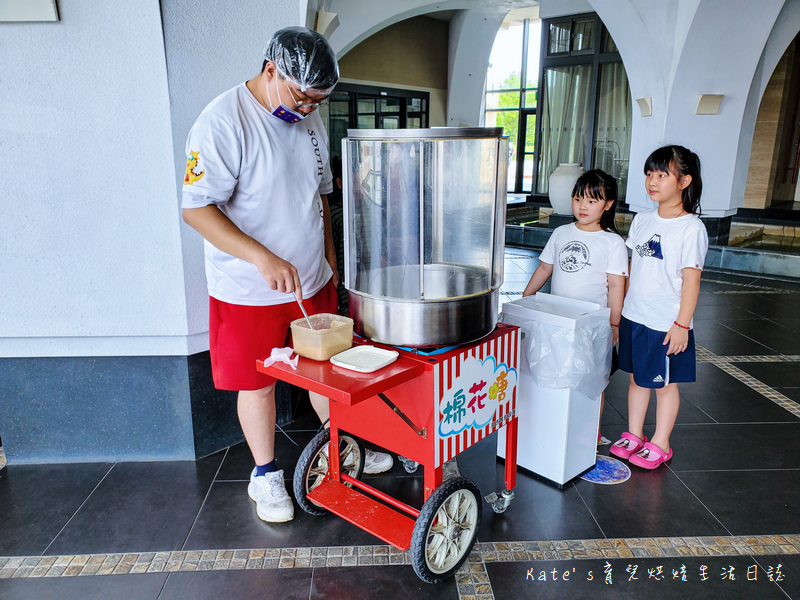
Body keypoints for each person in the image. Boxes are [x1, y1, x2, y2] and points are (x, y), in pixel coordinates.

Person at [181, 27, 392, 524]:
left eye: (318, 101)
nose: (307, 110)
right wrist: (260, 257)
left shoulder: (310, 119)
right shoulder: (221, 122)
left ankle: (343, 448)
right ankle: (265, 473)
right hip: (248, 289)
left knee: (326, 372)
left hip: (311, 279)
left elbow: (320, 198)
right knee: (257, 383)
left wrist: (330, 262)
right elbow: (196, 210)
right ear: (271, 70)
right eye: (302, 96)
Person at [610, 145, 708, 469]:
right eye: (649, 174)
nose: (652, 181)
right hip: (634, 315)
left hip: (666, 323)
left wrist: (682, 325)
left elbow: (692, 281)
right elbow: (632, 265)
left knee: (665, 386)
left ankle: (660, 443)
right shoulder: (643, 218)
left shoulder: (691, 228)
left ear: (684, 181)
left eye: (662, 174)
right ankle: (634, 435)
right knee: (638, 379)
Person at [523, 170, 628, 444]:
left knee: (594, 378)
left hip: (592, 323)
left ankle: (592, 432)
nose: (583, 206)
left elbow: (617, 286)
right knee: (558, 370)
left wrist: (614, 323)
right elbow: (545, 268)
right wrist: (526, 298)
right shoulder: (560, 232)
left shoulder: (613, 243)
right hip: (558, 319)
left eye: (593, 201)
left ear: (608, 204)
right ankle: (558, 424)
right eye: (578, 198)